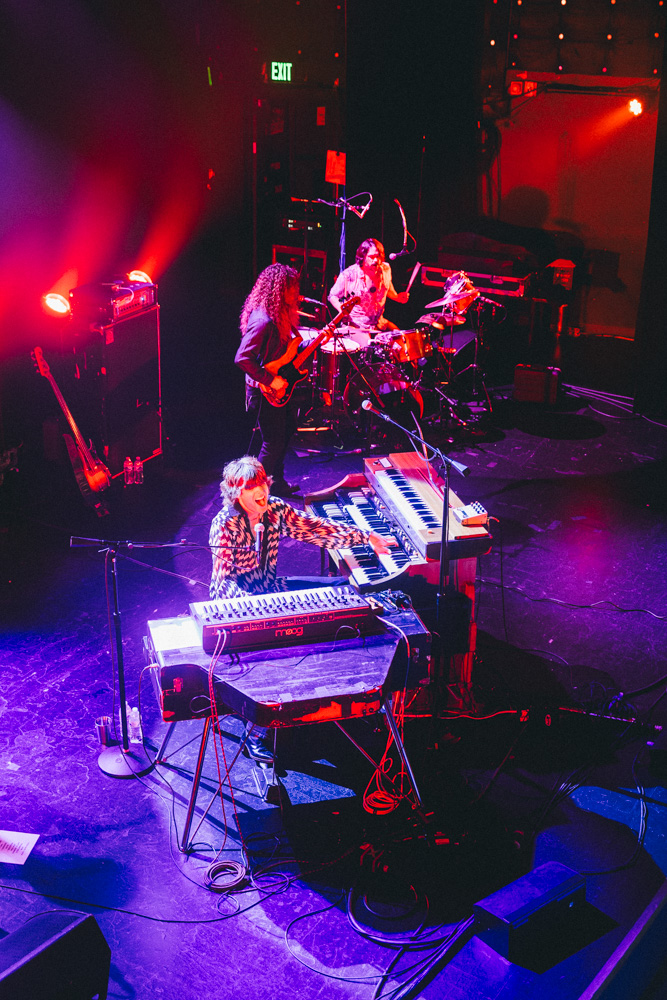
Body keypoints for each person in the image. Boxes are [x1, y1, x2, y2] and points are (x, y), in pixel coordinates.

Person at [208, 455, 394, 761]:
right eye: (251, 486)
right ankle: (256, 731)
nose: (261, 491)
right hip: (239, 604)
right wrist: (262, 612)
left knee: (343, 594)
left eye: (262, 483)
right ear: (235, 492)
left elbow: (316, 529)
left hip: (272, 590)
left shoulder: (275, 509)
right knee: (269, 657)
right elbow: (224, 580)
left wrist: (365, 538)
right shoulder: (225, 525)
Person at [235, 263, 303, 498]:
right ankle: (251, 495)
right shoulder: (263, 320)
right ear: (278, 289)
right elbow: (242, 358)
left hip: (276, 384)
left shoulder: (278, 313)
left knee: (285, 434)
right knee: (272, 442)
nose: (297, 293)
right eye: (292, 288)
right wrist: (270, 380)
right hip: (263, 391)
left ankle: (277, 483)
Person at [328, 238, 410, 334]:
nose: (376, 260)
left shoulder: (385, 269)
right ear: (363, 257)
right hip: (357, 326)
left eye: (378, 256)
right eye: (371, 257)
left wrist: (397, 297)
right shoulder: (349, 275)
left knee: (402, 340)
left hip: (379, 323)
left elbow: (388, 289)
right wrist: (341, 308)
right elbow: (332, 296)